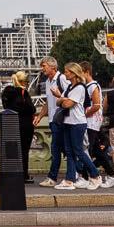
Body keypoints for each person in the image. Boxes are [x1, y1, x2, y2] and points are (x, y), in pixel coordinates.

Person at [54, 63, 101, 190]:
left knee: (78, 151)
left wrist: (62, 100)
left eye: (67, 72)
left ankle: (95, 175)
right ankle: (70, 180)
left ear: (74, 73)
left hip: (77, 123)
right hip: (68, 122)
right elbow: (59, 101)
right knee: (69, 152)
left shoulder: (80, 87)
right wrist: (62, 100)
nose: (65, 74)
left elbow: (66, 104)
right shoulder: (70, 87)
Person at [38, 56, 72, 187]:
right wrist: (40, 116)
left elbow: (71, 97)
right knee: (63, 149)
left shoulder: (62, 78)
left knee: (56, 149)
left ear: (53, 67)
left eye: (44, 66)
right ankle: (77, 174)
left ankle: (53, 177)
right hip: (53, 120)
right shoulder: (47, 81)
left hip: (62, 120)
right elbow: (48, 102)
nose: (42, 69)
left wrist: (60, 96)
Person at [2, 70, 37, 180]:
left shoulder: (8, 92)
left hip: (11, 125)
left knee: (12, 151)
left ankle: (12, 174)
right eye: (26, 82)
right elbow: (31, 109)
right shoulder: (23, 93)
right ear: (23, 82)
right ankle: (24, 175)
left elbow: (6, 107)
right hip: (25, 126)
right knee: (24, 151)